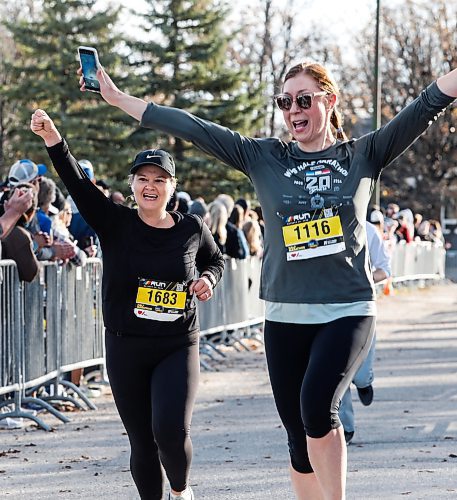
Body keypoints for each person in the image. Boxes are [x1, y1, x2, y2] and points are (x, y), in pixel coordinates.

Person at [84, 60, 456, 499]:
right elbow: (194, 127)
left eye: (304, 99)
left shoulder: (363, 154)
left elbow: (425, 105)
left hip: (347, 308)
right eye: (285, 102)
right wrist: (118, 98)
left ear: (329, 100)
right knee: (299, 441)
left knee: (318, 409)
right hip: (284, 314)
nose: (293, 110)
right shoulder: (265, 157)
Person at [30, 109, 225, 500]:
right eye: (143, 179)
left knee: (170, 431)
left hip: (176, 343)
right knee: (142, 441)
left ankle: (181, 490)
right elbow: (77, 182)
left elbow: (215, 259)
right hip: (126, 344)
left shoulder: (191, 227)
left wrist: (207, 279)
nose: (150, 186)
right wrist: (54, 138)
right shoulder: (114, 222)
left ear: (172, 188)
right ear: (132, 184)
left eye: (160, 180)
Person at [339, 220, 391, 444]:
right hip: (329, 309)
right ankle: (345, 427)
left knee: (358, 374)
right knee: (336, 373)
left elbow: (385, 270)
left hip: (362, 307)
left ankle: (365, 381)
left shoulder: (369, 230)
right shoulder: (322, 225)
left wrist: (362, 275)